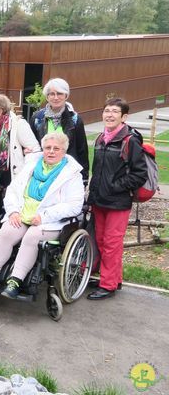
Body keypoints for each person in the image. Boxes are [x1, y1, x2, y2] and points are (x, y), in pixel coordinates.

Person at [0, 132, 84, 298]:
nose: (51, 151)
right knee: (7, 232)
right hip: (22, 214)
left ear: (64, 151)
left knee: (32, 237)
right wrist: (13, 211)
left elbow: (74, 205)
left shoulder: (72, 174)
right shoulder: (31, 165)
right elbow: (13, 191)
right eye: (47, 148)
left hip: (49, 221)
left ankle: (15, 280)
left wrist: (45, 216)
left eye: (56, 148)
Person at [86, 98, 147, 300]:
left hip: (117, 202)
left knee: (112, 243)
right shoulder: (100, 138)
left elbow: (139, 174)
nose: (109, 115)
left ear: (124, 116)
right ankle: (113, 278)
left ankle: (108, 285)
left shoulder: (130, 140)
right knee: (102, 240)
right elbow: (98, 171)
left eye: (114, 111)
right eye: (106, 111)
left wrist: (115, 187)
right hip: (99, 200)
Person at [0, 93, 41, 215]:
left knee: (6, 214)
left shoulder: (18, 125)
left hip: (10, 180)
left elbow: (35, 151)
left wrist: (25, 163)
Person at [29, 78, 89, 183]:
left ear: (66, 96)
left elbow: (82, 150)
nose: (56, 97)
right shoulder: (37, 118)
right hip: (42, 172)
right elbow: (31, 147)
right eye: (52, 94)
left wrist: (84, 178)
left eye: (60, 93)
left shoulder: (75, 119)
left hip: (67, 174)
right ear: (47, 97)